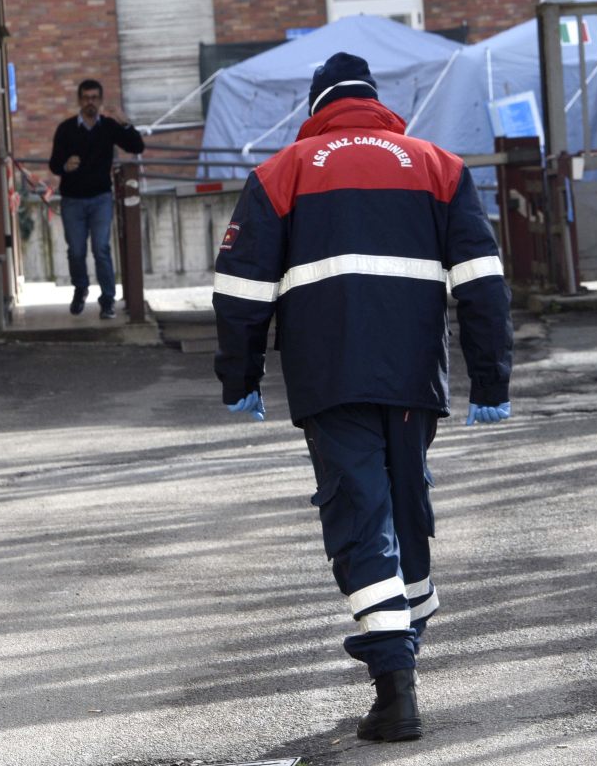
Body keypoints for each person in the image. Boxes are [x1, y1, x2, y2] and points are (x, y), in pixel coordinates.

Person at [212, 52, 513, 743]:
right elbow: (482, 283)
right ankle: (405, 648)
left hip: (330, 376)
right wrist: (490, 379)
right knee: (405, 509)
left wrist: (240, 378)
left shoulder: (281, 172)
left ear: (317, 107)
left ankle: (395, 686)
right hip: (413, 377)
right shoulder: (438, 166)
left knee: (360, 514)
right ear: (376, 102)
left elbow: (241, 292)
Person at [47, 78, 145, 319]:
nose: (90, 102)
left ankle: (108, 300)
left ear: (100, 100)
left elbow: (137, 147)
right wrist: (65, 165)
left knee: (101, 248)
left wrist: (124, 122)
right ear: (79, 100)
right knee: (76, 251)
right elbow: (54, 164)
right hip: (72, 199)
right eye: (86, 98)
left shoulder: (109, 127)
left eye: (94, 98)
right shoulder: (66, 128)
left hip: (101, 197)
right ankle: (80, 288)